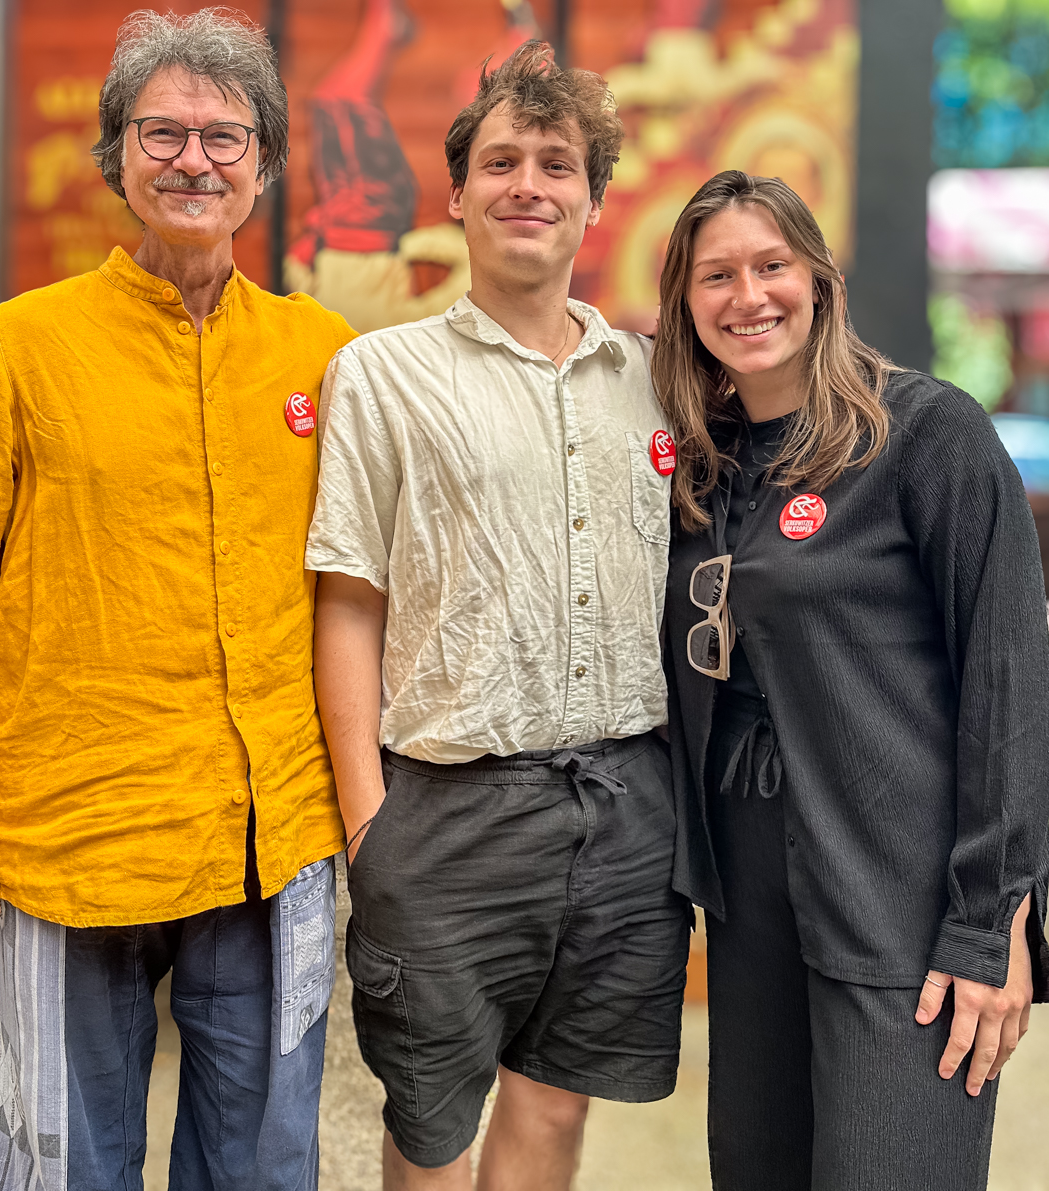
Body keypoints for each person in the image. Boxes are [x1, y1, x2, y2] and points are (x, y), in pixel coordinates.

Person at [0, 11, 355, 1190]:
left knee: (262, 1163)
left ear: (265, 165)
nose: (195, 159)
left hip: (271, 837)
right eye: (162, 132)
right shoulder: (24, 347)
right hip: (76, 836)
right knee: (67, 1164)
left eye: (225, 136)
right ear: (117, 157)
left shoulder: (320, 353)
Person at [308, 41, 690, 1191]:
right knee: (433, 1127)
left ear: (593, 199)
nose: (529, 184)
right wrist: (370, 828)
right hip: (446, 810)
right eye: (502, 161)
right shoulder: (381, 374)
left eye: (557, 164)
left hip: (627, 806)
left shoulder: (658, 379)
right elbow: (348, 602)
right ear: (458, 195)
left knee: (557, 1109)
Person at [655, 169, 1049, 1190]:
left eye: (772, 265)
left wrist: (992, 922)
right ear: (684, 303)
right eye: (716, 276)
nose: (748, 296)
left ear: (821, 281)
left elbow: (1009, 686)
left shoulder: (927, 434)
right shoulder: (699, 466)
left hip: (901, 906)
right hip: (750, 911)